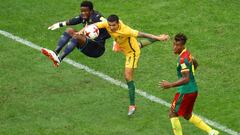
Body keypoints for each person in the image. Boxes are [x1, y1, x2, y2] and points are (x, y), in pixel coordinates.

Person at [95, 14, 169, 116]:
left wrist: (157, 37)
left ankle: (132, 105)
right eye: (110, 25)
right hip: (125, 45)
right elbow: (94, 26)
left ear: (118, 23)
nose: (111, 27)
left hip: (132, 53)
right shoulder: (107, 24)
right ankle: (159, 38)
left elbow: (142, 34)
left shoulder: (126, 30)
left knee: (128, 76)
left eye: (113, 25)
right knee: (137, 44)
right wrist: (79, 33)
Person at [160, 33, 219, 135]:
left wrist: (170, 85)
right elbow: (195, 63)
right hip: (193, 90)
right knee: (187, 115)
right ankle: (211, 131)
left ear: (182, 45)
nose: (174, 47)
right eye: (174, 44)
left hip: (185, 91)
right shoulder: (187, 53)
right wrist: (191, 74)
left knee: (173, 114)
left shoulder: (182, 59)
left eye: (177, 45)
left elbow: (186, 79)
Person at [41, 0, 110, 66]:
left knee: (77, 36)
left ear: (91, 11)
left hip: (97, 49)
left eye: (85, 11)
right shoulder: (84, 16)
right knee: (69, 30)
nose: (83, 13)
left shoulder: (97, 17)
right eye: (82, 11)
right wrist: (59, 24)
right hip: (88, 44)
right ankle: (55, 52)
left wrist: (107, 38)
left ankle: (59, 59)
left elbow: (108, 25)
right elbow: (73, 21)